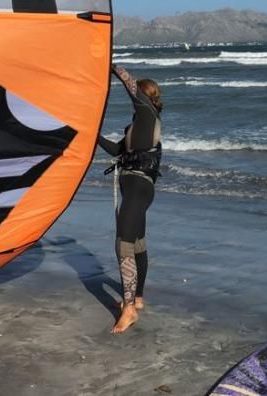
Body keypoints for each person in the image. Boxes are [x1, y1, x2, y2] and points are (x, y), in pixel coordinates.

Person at [98, 63, 163, 334]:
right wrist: (93, 136)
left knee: (122, 243)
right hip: (138, 187)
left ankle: (128, 309)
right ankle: (137, 298)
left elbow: (131, 85)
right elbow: (117, 149)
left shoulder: (147, 115)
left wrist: (111, 65)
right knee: (136, 243)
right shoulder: (139, 127)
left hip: (137, 187)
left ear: (145, 98)